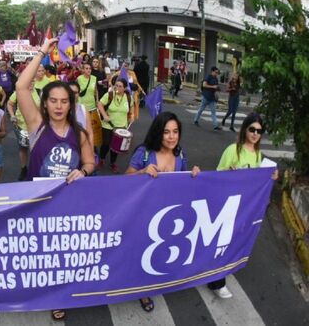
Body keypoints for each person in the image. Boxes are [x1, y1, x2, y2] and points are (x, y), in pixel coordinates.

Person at [16, 38, 95, 321]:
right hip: (39, 204)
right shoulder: (37, 126)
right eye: (53, 101)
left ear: (71, 104)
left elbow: (89, 161)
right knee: (40, 251)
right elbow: (21, 87)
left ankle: (61, 295)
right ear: (45, 104)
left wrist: (83, 172)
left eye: (64, 101)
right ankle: (40, 291)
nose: (59, 106)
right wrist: (42, 52)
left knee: (63, 252)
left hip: (70, 205)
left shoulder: (81, 132)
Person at [125, 111, 200, 312]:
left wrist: (194, 175)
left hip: (168, 216)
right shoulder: (144, 153)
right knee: (142, 252)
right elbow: (124, 180)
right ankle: (143, 291)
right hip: (143, 214)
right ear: (158, 133)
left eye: (175, 132)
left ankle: (154, 280)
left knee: (157, 254)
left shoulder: (181, 154)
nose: (171, 137)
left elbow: (184, 181)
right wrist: (141, 172)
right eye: (166, 132)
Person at [210, 112, 278, 298]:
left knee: (232, 241)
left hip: (245, 207)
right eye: (252, 129)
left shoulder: (258, 155)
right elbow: (218, 174)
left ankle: (216, 275)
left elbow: (258, 182)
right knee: (222, 241)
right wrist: (230, 175)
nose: (256, 133)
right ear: (245, 129)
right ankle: (217, 282)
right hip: (229, 204)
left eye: (259, 131)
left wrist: (270, 177)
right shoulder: (233, 150)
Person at [97, 78, 133, 173]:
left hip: (121, 126)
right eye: (116, 85)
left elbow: (131, 107)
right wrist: (104, 115)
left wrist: (131, 116)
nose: (117, 87)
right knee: (106, 143)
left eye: (120, 86)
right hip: (108, 125)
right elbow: (100, 104)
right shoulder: (109, 95)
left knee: (116, 146)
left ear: (124, 88)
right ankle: (102, 158)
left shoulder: (128, 97)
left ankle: (113, 163)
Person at [7, 81, 40, 181]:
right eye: (28, 82)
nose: (30, 84)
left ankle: (35, 169)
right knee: (23, 148)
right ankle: (24, 168)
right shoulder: (18, 92)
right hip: (21, 126)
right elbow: (9, 104)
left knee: (36, 150)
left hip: (36, 127)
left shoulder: (39, 92)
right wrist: (12, 116)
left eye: (32, 82)